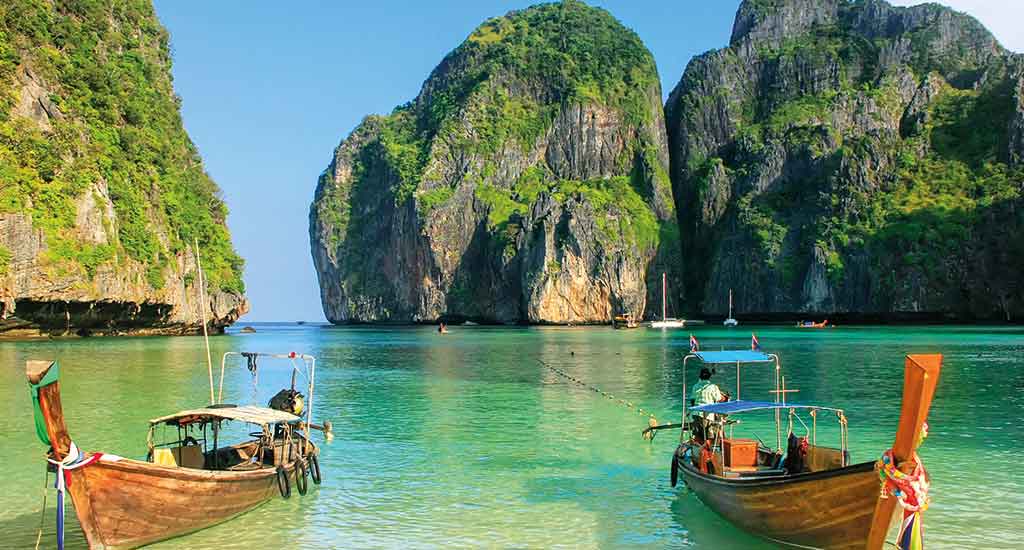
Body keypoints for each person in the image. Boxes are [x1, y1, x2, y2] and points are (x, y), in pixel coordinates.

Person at [690, 367, 729, 441]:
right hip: (707, 416)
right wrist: (725, 397)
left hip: (696, 414)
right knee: (708, 438)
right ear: (709, 377)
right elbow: (719, 399)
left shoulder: (695, 386)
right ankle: (707, 451)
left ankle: (697, 450)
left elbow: (692, 400)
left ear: (700, 376)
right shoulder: (713, 387)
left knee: (698, 436)